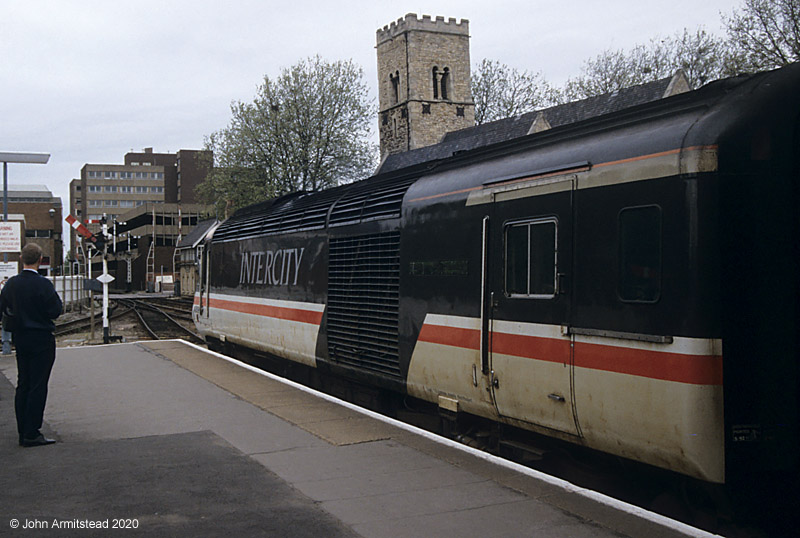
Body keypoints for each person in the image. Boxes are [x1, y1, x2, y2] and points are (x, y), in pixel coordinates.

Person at [0, 243, 63, 447]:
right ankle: (32, 432)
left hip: (21, 338)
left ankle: (22, 430)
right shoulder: (43, 284)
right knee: (38, 385)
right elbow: (55, 311)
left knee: (23, 383)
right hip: (41, 339)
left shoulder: (11, 284)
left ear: (21, 258)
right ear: (40, 259)